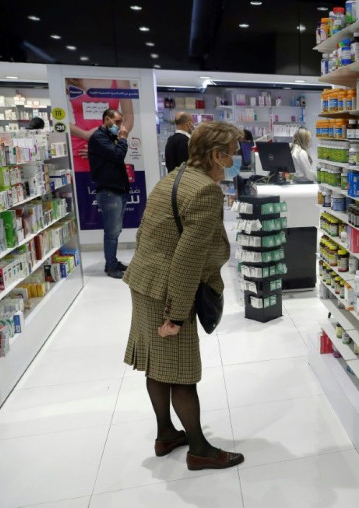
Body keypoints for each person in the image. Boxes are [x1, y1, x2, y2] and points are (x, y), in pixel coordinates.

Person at [123, 121, 244, 471]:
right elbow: (188, 259)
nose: (236, 160)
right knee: (182, 372)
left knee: (158, 366)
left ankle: (165, 434)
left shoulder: (175, 175)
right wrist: (175, 316)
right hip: (167, 291)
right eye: (233, 154)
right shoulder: (205, 191)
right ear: (218, 155)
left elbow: (149, 230)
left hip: (145, 281)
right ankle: (199, 449)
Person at [88, 108, 130, 279]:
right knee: (111, 231)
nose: (120, 125)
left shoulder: (110, 137)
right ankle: (111, 266)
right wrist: (124, 139)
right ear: (107, 119)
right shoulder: (98, 138)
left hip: (118, 189)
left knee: (116, 230)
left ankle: (112, 261)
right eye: (117, 121)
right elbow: (118, 156)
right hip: (109, 191)